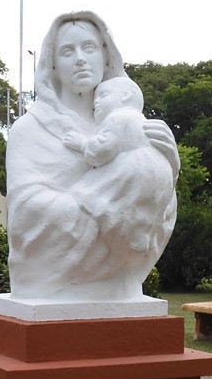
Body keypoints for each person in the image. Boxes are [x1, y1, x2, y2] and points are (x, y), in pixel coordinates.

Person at [5, 11, 179, 301]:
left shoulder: (135, 127)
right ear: (53, 65)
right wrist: (106, 211)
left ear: (105, 55)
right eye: (67, 51)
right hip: (51, 287)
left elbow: (156, 202)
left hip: (121, 286)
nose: (80, 59)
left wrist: (169, 168)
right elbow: (25, 213)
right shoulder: (29, 130)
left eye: (89, 48)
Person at [63, 75, 173, 255]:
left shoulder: (118, 117)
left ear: (125, 96)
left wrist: (82, 143)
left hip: (136, 169)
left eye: (103, 95)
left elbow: (101, 151)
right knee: (144, 209)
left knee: (99, 197)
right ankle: (139, 236)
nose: (96, 102)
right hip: (160, 175)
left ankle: (118, 234)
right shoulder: (140, 120)